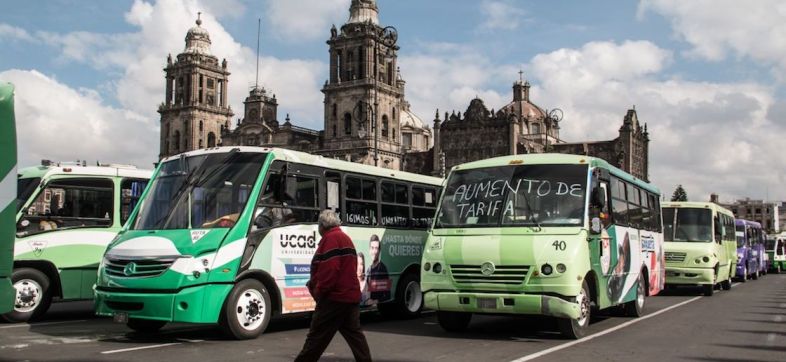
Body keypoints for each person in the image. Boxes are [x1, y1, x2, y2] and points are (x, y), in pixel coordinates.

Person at [295, 210, 371, 362]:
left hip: (333, 299)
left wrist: (319, 292)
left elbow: (329, 271)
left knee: (315, 340)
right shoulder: (345, 238)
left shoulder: (331, 239)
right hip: (349, 298)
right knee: (356, 338)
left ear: (323, 225)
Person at [366, 234, 391, 304]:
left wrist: (375, 301)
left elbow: (388, 295)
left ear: (379, 250)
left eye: (376, 248)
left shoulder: (383, 268)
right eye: (372, 248)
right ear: (369, 250)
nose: (374, 252)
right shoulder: (368, 269)